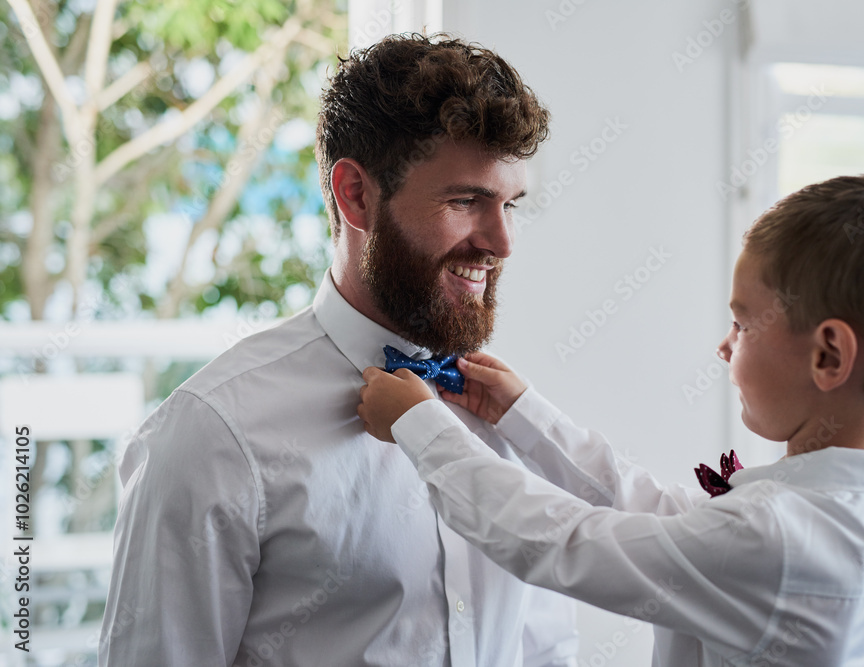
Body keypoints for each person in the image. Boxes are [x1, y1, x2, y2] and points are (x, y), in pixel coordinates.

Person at [357, 175, 864, 666]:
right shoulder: (825, 507)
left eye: (742, 322)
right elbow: (656, 511)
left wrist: (424, 430)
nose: (725, 345)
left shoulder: (784, 540)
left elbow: (562, 543)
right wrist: (523, 415)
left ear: (828, 356)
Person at [100, 33, 580, 666]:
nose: (502, 243)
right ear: (356, 195)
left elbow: (548, 649)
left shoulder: (509, 414)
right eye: (466, 201)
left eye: (511, 204)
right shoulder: (214, 435)